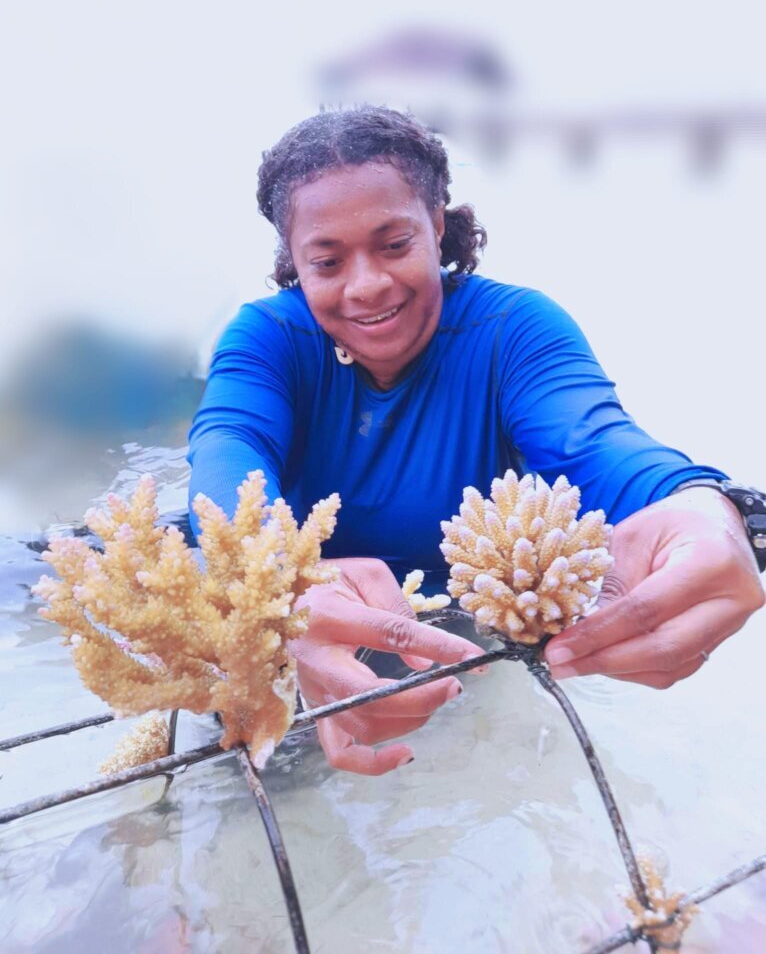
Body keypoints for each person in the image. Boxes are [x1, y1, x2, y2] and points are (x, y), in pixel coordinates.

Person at [188, 106, 764, 776]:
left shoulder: (513, 329)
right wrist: (276, 588)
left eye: (394, 244)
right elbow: (225, 454)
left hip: (453, 627)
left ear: (436, 223)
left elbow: (596, 443)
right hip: (298, 633)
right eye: (328, 261)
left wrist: (715, 510)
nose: (367, 284)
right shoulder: (266, 339)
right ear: (294, 260)